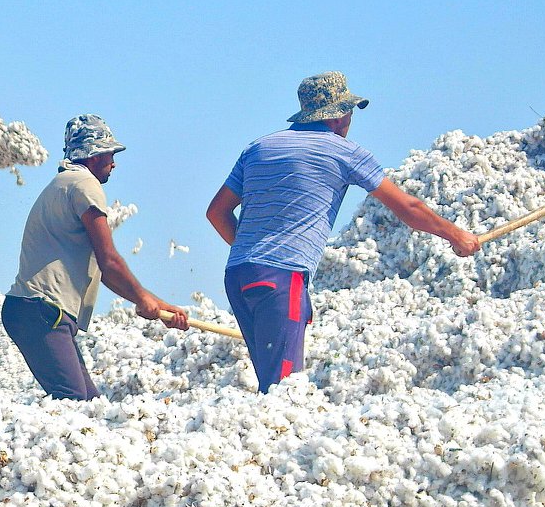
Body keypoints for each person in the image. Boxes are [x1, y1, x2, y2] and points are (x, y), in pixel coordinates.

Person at [205, 72, 481, 393]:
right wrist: (455, 235)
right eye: (350, 111)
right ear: (339, 115)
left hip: (239, 275)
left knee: (271, 380)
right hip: (282, 278)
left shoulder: (258, 148)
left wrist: (251, 252)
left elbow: (216, 212)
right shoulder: (343, 151)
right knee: (284, 390)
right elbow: (409, 207)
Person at [3, 114, 190, 400]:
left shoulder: (64, 183)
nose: (113, 162)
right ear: (93, 155)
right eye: (109, 154)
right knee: (74, 403)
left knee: (91, 404)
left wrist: (158, 305)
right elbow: (109, 261)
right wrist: (144, 301)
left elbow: (106, 273)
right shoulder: (84, 184)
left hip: (36, 311)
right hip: (41, 310)